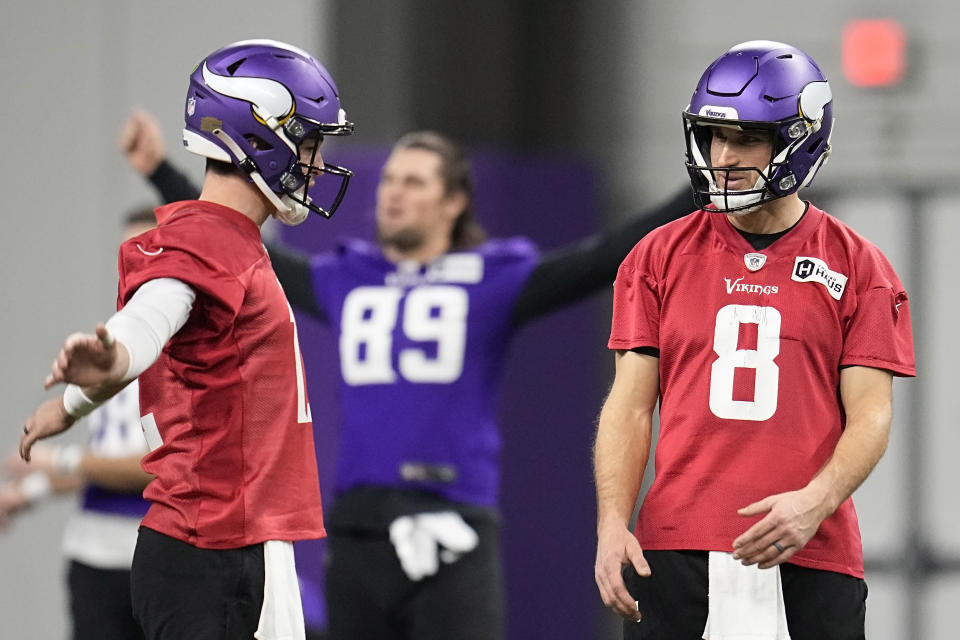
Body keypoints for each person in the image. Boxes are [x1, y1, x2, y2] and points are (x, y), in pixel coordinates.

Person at [123, 111, 693, 639]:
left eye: (415, 182)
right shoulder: (349, 276)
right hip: (358, 532)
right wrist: (162, 173)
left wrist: (710, 183)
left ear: (454, 202)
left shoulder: (492, 278)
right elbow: (234, 242)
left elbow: (606, 254)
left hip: (452, 528)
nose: (393, 192)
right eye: (391, 179)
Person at [18, 39, 354, 640]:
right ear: (258, 138)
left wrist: (73, 404)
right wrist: (114, 354)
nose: (317, 162)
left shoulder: (232, 237)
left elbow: (176, 348)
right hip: (214, 549)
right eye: (308, 142)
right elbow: (153, 314)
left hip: (240, 541)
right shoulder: (207, 236)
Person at [593, 40, 916, 640]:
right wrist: (612, 522)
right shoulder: (656, 256)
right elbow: (630, 406)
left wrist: (815, 502)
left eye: (746, 139)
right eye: (714, 137)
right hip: (676, 548)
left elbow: (871, 414)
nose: (724, 155)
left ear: (800, 137)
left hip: (809, 552)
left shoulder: (859, 266)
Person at [0, 209, 156, 640]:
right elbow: (103, 461)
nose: (135, 264)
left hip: (156, 559)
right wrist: (31, 491)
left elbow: (157, 465)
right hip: (93, 556)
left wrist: (62, 459)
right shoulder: (111, 342)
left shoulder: (190, 350)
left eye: (148, 250)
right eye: (127, 253)